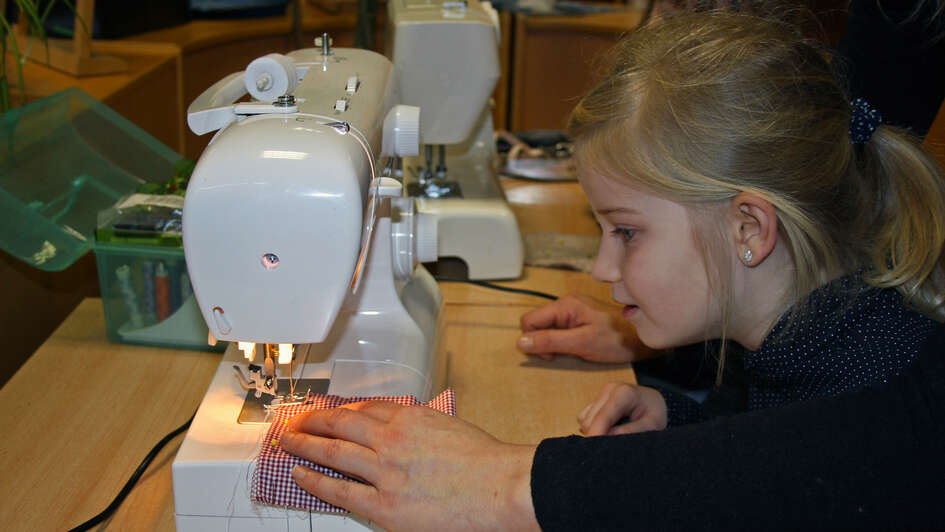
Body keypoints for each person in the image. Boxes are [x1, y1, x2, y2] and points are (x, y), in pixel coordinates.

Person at [278, 11, 945, 530]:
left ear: (748, 229)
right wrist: (684, 421)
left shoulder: (868, 388)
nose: (600, 268)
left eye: (626, 232)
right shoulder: (813, 339)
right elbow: (767, 457)